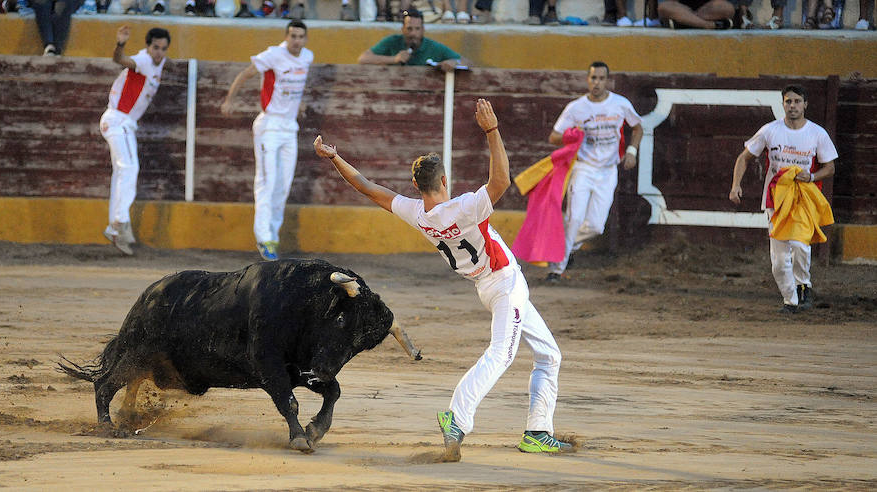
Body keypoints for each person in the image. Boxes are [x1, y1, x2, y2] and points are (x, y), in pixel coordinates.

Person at [313, 99, 573, 461]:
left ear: (415, 185)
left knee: (549, 354)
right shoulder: (466, 206)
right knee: (501, 354)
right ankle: (457, 418)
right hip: (504, 284)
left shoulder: (419, 213)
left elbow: (368, 188)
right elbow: (500, 180)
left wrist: (334, 158)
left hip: (488, 286)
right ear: (445, 181)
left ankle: (538, 430)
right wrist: (492, 131)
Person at [729, 85, 837, 313]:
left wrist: (813, 176)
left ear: (805, 104)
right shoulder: (770, 130)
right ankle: (790, 299)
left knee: (799, 245)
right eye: (788, 101)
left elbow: (830, 168)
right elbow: (744, 157)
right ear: (783, 104)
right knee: (778, 259)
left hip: (803, 198)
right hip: (775, 200)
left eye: (797, 101)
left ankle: (803, 287)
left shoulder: (817, 133)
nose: (793, 106)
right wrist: (735, 185)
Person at [221, 20, 313, 261]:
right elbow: (246, 73)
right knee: (267, 181)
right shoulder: (273, 54)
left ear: (305, 39)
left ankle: (273, 237)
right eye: (293, 36)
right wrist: (230, 99)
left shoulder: (307, 57)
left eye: (301, 36)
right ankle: (264, 238)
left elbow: (293, 86)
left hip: (289, 126)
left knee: (282, 184)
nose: (297, 41)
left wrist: (298, 104)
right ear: (286, 36)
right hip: (269, 125)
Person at [544, 61, 642, 283]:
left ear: (607, 80)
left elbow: (637, 127)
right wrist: (573, 135)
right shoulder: (576, 108)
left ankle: (566, 248)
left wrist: (633, 151)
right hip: (583, 168)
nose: (597, 83)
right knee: (575, 218)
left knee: (596, 226)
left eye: (601, 78)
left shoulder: (620, 104)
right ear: (587, 80)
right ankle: (556, 269)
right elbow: (554, 137)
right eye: (593, 78)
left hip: (608, 171)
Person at [100, 26, 170, 255]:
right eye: (155, 47)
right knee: (129, 167)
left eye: (163, 48)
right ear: (148, 46)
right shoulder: (143, 60)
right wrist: (120, 44)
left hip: (122, 123)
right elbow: (120, 59)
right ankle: (120, 222)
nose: (158, 53)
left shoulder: (158, 64)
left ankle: (114, 227)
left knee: (121, 173)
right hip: (118, 120)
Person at [358, 9, 466, 72]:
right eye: (409, 29)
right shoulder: (392, 41)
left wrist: (454, 63)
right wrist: (394, 59)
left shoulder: (433, 47)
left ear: (423, 30)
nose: (413, 33)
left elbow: (467, 62)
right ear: (403, 29)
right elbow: (363, 59)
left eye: (417, 29)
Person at [657, 0, 735, 28]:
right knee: (663, 7)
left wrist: (686, 17)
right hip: (682, 9)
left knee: (728, 8)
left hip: (707, 10)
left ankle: (686, 23)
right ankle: (709, 25)